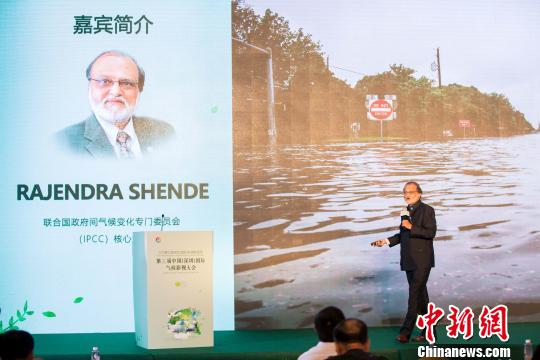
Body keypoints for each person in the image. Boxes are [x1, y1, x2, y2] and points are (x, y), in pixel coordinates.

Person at [56, 50, 175, 159]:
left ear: (139, 91)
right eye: (104, 81)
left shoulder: (164, 132)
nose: (116, 91)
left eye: (126, 83)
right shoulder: (64, 142)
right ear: (89, 87)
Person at [371, 181, 436, 343]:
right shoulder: (405, 212)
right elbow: (403, 235)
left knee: (413, 295)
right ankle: (429, 329)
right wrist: (386, 241)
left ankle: (405, 332)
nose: (407, 195)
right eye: (405, 192)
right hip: (408, 259)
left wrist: (410, 226)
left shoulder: (427, 210)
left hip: (422, 260)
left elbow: (431, 232)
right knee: (421, 297)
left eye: (411, 192)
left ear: (419, 193)